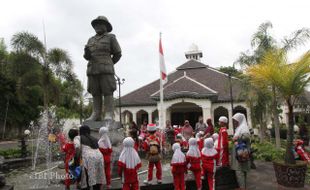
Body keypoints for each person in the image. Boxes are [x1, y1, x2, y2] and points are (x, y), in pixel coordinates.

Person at [84, 16, 122, 121]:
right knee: (95, 92)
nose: (97, 26)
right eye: (96, 24)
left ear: (106, 26)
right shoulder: (90, 40)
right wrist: (87, 52)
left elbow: (118, 53)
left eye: (100, 24)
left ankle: (109, 113)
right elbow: (87, 57)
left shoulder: (111, 38)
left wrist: (109, 64)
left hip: (106, 70)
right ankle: (96, 114)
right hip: (92, 70)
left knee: (108, 91)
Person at [74, 125, 105, 190]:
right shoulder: (94, 138)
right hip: (99, 156)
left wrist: (76, 157)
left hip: (88, 157)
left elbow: (77, 147)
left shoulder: (78, 137)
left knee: (86, 177)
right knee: (97, 177)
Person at [231, 113, 251, 190]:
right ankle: (242, 187)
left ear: (239, 120)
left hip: (241, 152)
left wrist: (237, 137)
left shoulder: (243, 128)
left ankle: (242, 187)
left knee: (239, 171)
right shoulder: (240, 127)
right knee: (242, 170)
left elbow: (246, 137)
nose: (234, 122)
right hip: (241, 152)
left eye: (236, 120)